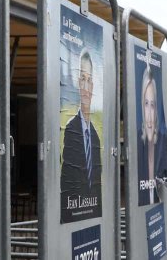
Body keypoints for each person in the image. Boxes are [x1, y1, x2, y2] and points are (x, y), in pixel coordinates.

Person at [60, 49, 102, 222]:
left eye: (89, 80)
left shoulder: (96, 137)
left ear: (92, 86)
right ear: (78, 84)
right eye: (83, 79)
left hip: (92, 214)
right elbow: (66, 183)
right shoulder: (70, 129)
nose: (86, 86)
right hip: (74, 214)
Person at [137, 66, 167, 206]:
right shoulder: (136, 144)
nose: (149, 115)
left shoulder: (163, 141)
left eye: (153, 105)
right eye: (146, 104)